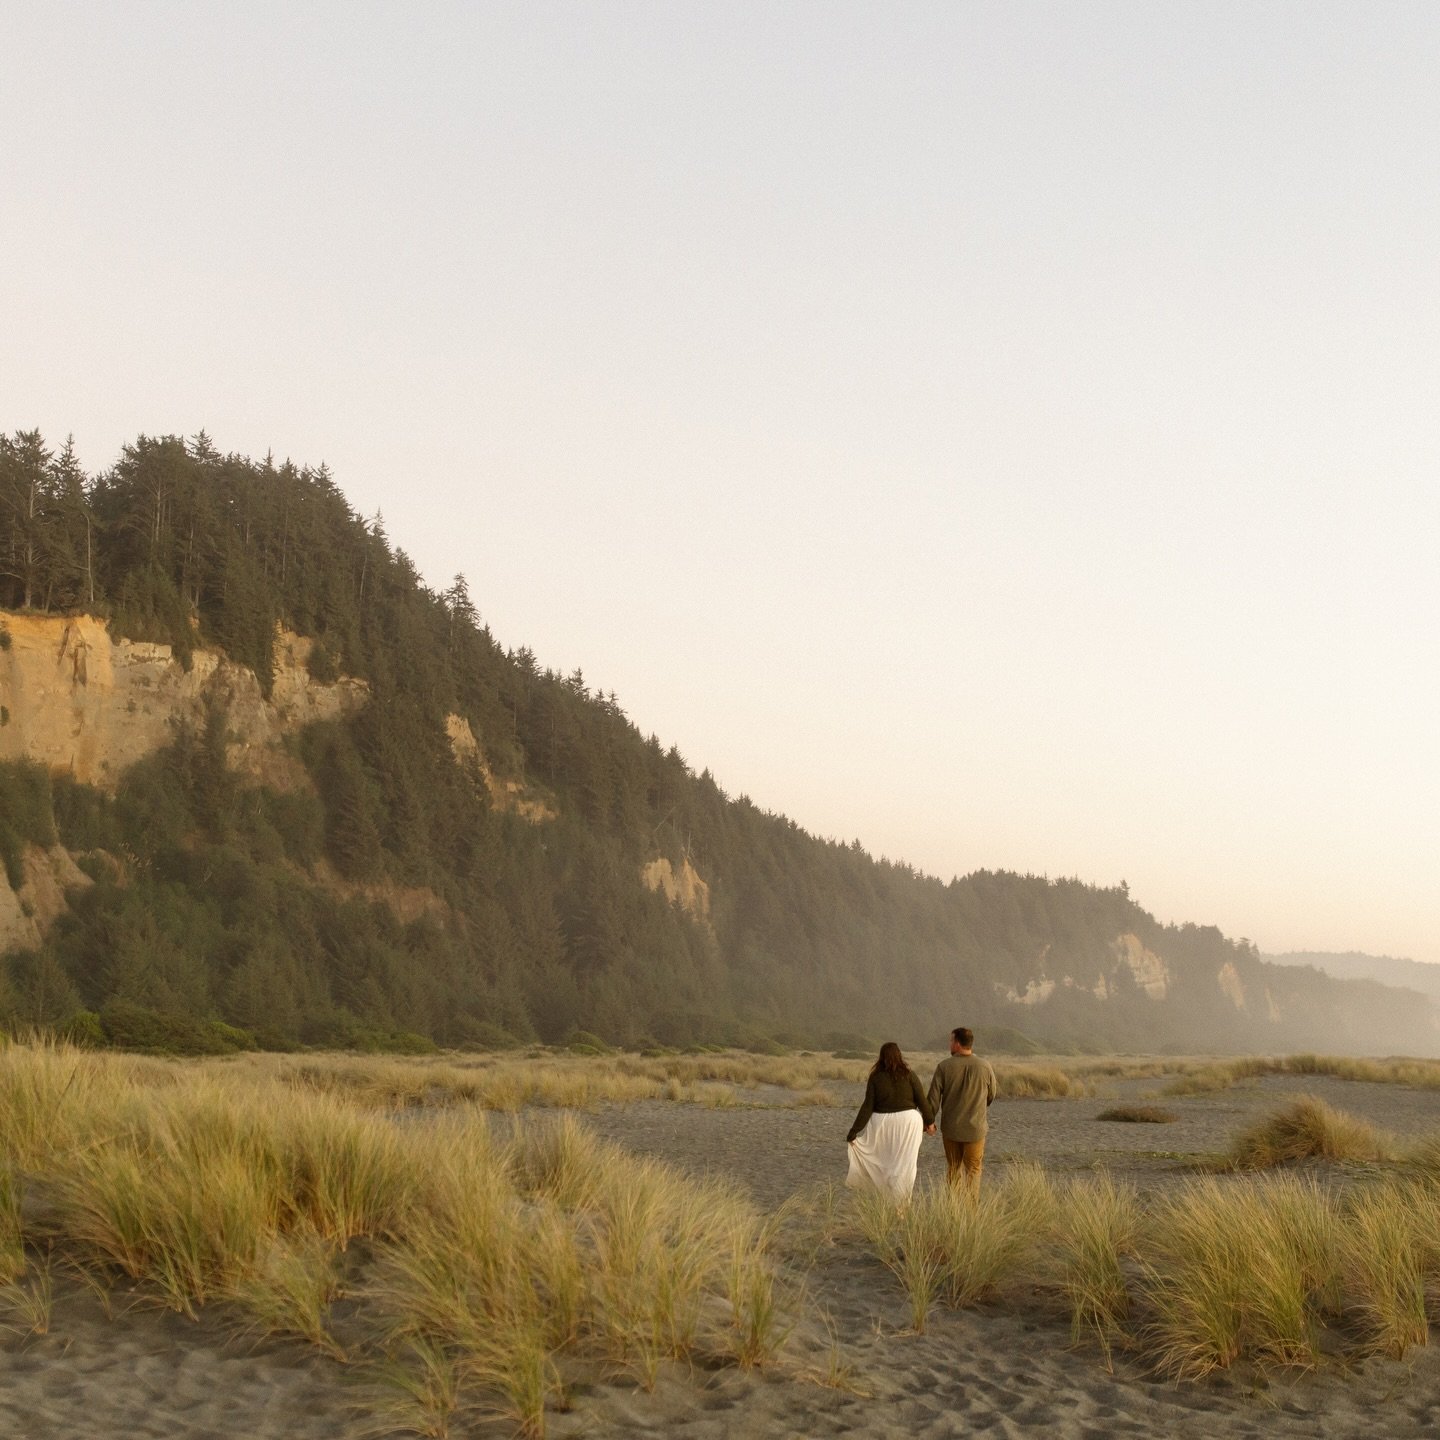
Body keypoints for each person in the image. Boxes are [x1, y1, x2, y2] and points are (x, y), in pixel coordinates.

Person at [845, 1041, 935, 1202]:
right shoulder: (910, 1075)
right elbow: (922, 1101)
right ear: (899, 1056)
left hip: (882, 1124)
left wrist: (854, 1131)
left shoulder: (875, 1077)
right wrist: (930, 1122)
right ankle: (901, 1203)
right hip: (909, 1123)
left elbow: (868, 1106)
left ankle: (890, 1198)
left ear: (881, 1058)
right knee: (906, 1164)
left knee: (886, 1161)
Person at [926, 1026, 997, 1198]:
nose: (949, 1044)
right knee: (973, 1170)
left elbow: (933, 1099)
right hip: (975, 1129)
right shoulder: (985, 1066)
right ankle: (970, 1211)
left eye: (951, 1041)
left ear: (957, 1044)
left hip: (951, 1129)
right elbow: (992, 1094)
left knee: (953, 1168)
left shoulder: (944, 1067)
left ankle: (953, 1208)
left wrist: (929, 1121)